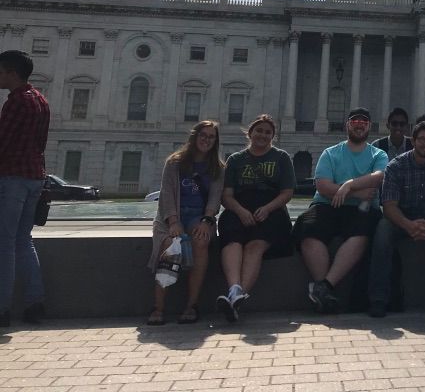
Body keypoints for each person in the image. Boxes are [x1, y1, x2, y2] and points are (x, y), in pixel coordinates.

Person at [293, 107, 386, 313]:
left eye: (363, 122)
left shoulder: (378, 154)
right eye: (355, 121)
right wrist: (355, 192)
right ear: (348, 125)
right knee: (308, 228)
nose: (359, 125)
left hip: (360, 212)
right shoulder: (330, 153)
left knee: (361, 232)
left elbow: (379, 177)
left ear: (369, 126)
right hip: (327, 205)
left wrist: (348, 185)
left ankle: (324, 287)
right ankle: (323, 289)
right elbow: (323, 186)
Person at [367, 120, 425, 317]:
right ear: (413, 141)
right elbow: (389, 206)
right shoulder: (396, 166)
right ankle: (378, 299)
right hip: (403, 219)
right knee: (383, 230)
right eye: (422, 140)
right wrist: (408, 225)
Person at [216, 114, 295, 322]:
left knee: (255, 245)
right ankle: (235, 291)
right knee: (232, 241)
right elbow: (227, 195)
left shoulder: (281, 157)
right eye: (259, 131)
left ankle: (235, 295)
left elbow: (287, 193)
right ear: (250, 133)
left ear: (273, 137)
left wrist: (268, 208)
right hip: (238, 208)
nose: (263, 135)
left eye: (268, 132)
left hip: (271, 210)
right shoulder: (235, 160)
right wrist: (241, 211)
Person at [147, 120, 225, 325]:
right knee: (169, 246)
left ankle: (191, 305)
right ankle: (158, 307)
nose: (206, 140)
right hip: (171, 216)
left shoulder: (217, 167)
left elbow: (215, 198)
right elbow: (166, 194)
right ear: (194, 137)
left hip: (199, 217)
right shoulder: (175, 163)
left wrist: (207, 221)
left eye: (211, 137)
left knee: (200, 241)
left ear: (215, 141)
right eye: (203, 135)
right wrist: (173, 221)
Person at [0, 50, 49, 328]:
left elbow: (2, 142)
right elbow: (40, 143)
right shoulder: (41, 100)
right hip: (34, 178)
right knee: (23, 240)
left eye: (1, 72)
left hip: (13, 178)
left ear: (12, 74)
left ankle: (2, 309)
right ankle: (34, 303)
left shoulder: (16, 102)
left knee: (4, 244)